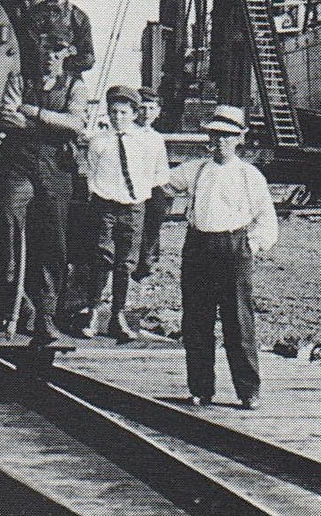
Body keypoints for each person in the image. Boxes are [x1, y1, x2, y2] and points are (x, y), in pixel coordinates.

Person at [166, 104, 278, 409]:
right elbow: (160, 180)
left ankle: (248, 391)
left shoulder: (249, 175)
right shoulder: (195, 169)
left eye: (227, 137)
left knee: (238, 322)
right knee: (197, 321)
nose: (220, 143)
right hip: (198, 246)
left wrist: (250, 247)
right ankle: (201, 388)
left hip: (234, 248)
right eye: (215, 136)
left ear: (239, 138)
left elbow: (267, 220)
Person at [0, 31, 90, 346]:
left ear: (66, 54)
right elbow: (8, 116)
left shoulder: (75, 86)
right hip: (19, 162)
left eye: (57, 51)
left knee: (53, 240)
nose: (50, 56)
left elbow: (76, 123)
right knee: (8, 212)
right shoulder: (20, 79)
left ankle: (46, 315)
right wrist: (51, 121)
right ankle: (12, 287)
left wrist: (33, 113)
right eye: (46, 49)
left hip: (56, 167)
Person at [75, 85, 171, 341]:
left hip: (134, 208)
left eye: (124, 112)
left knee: (125, 263)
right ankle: (93, 312)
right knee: (101, 257)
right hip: (105, 207)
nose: (118, 117)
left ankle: (118, 315)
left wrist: (139, 192)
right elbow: (91, 173)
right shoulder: (99, 142)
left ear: (134, 113)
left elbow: (160, 174)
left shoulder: (150, 142)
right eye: (114, 112)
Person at [24, 0, 95, 82]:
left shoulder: (78, 17)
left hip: (68, 82)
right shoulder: (33, 15)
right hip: (36, 82)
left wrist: (63, 62)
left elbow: (88, 58)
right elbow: (27, 53)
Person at [131, 87, 170, 286]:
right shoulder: (129, 133)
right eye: (143, 108)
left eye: (152, 108)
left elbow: (162, 169)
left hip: (152, 187)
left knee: (155, 216)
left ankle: (146, 260)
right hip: (131, 187)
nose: (147, 113)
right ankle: (133, 262)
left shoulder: (156, 138)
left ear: (157, 111)